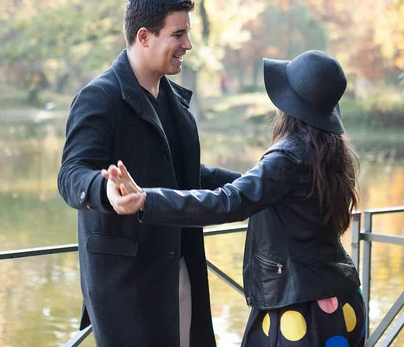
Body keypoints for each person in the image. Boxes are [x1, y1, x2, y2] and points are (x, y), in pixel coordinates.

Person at [104, 50, 366, 347]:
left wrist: (146, 200)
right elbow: (255, 189)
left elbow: (229, 201)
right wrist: (184, 171)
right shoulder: (329, 151)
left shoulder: (288, 156)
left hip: (298, 312)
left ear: (288, 105)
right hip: (342, 306)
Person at [57, 0, 241, 347]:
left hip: (183, 271)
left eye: (187, 33)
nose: (187, 44)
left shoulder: (176, 106)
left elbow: (189, 177)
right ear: (144, 37)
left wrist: (255, 185)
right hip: (128, 291)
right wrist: (107, 191)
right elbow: (71, 175)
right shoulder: (99, 97)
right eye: (178, 33)